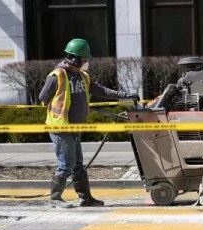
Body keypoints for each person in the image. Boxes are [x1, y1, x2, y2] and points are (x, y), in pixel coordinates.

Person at [39, 38, 139, 207]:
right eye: (84, 59)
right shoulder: (57, 76)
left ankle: (86, 199)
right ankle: (55, 198)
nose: (86, 62)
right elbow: (43, 97)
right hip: (61, 128)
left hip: (75, 128)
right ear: (75, 58)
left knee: (77, 165)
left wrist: (124, 95)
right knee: (66, 164)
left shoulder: (82, 76)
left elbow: (100, 90)